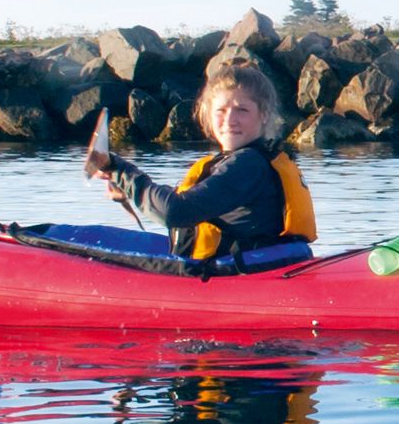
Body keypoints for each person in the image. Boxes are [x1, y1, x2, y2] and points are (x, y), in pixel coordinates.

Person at [85, 58, 315, 268]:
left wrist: (120, 170)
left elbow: (176, 211)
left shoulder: (248, 164)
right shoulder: (252, 159)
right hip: (257, 269)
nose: (230, 120)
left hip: (242, 280)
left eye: (242, 110)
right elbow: (191, 203)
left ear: (263, 114)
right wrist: (126, 184)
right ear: (208, 113)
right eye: (221, 110)